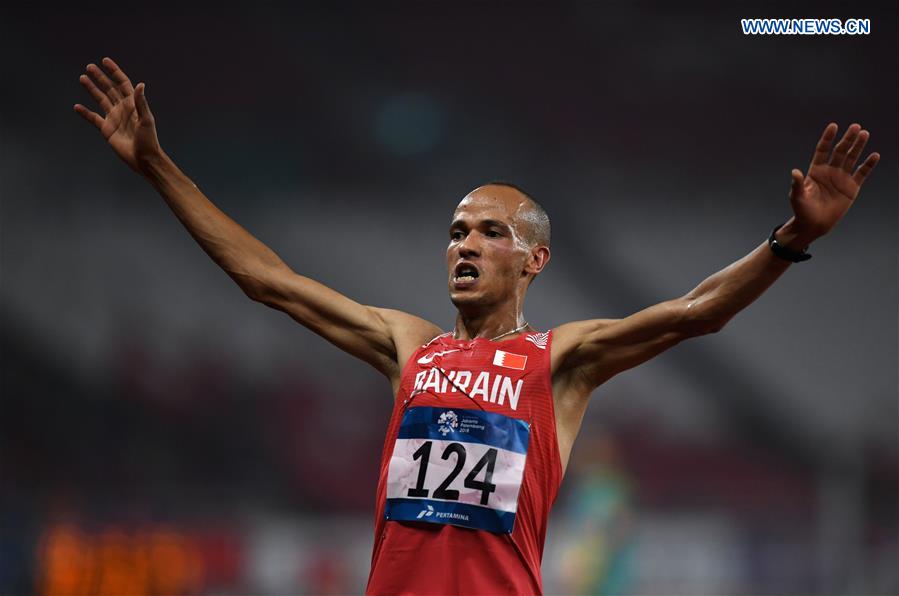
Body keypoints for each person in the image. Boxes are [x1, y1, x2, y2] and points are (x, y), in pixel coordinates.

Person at [74, 57, 880, 595]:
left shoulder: (560, 359)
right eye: (457, 230)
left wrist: (791, 241)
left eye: (490, 232)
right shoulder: (410, 344)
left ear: (534, 261)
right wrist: (155, 165)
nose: (465, 243)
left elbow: (696, 312)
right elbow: (268, 281)